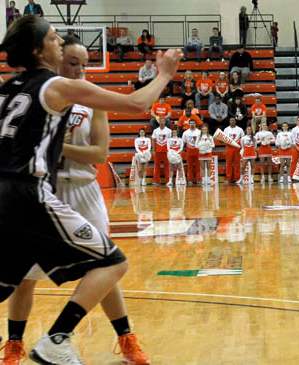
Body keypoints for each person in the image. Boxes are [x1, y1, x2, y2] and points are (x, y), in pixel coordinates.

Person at [0, 15, 179, 362]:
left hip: (6, 193)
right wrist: (165, 74)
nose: (59, 43)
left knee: (8, 279)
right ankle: (57, 338)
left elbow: (98, 151)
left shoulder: (7, 89)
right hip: (30, 194)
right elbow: (137, 104)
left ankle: (112, 336)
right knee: (112, 262)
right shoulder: (56, 86)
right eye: (54, 39)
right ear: (39, 50)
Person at [224, 117, 245, 183]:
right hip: (229, 147)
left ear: (235, 121)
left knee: (237, 163)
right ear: (229, 121)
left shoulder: (240, 129)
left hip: (237, 147)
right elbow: (224, 138)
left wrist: (241, 147)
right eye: (231, 120)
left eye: (233, 120)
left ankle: (237, 178)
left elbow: (243, 138)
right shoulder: (226, 129)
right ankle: (229, 178)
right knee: (229, 163)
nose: (232, 121)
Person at [152, 118, 171, 185]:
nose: (162, 122)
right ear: (158, 122)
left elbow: (170, 141)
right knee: (157, 166)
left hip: (166, 150)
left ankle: (168, 180)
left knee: (167, 165)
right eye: (160, 121)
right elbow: (153, 140)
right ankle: (156, 181)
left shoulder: (169, 131)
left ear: (165, 122)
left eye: (163, 121)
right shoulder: (155, 130)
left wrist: (170, 150)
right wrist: (153, 150)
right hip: (158, 150)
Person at [182, 120, 201, 185]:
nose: (192, 124)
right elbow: (183, 142)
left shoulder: (199, 132)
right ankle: (190, 180)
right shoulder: (185, 132)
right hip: (189, 150)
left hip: (197, 150)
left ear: (195, 124)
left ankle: (198, 179)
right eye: (191, 123)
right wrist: (182, 149)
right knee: (189, 166)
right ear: (189, 124)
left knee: (198, 166)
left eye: (193, 123)